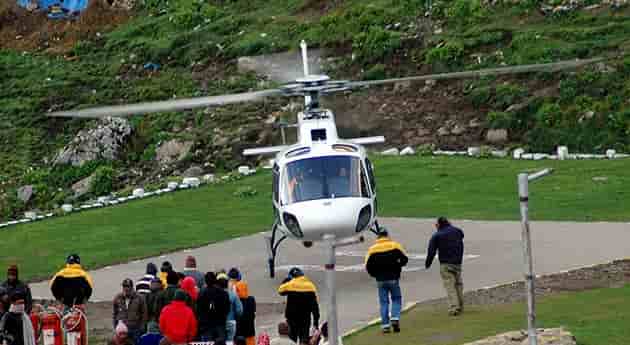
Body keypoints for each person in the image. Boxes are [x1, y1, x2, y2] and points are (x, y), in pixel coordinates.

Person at [364, 229, 408, 333]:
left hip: (380, 279)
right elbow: (405, 259)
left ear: (378, 237)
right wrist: (398, 266)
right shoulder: (395, 245)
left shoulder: (372, 249)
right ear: (387, 235)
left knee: (384, 302)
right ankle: (395, 317)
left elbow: (367, 266)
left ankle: (385, 325)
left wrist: (374, 275)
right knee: (396, 299)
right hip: (393, 277)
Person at [425, 217, 465, 316]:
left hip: (446, 264)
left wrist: (428, 263)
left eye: (436, 224)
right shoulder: (458, 231)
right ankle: (460, 305)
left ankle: (454, 307)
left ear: (439, 225)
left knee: (450, 286)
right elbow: (461, 235)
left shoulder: (437, 236)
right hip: (458, 263)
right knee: (458, 284)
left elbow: (431, 251)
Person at [277, 268, 319, 344]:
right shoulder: (310, 286)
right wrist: (316, 322)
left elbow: (280, 291)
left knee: (292, 341)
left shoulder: (290, 284)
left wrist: (286, 280)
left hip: (292, 319)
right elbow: (315, 307)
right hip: (305, 320)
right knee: (304, 340)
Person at [196, 272, 230, 343]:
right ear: (215, 280)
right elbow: (227, 308)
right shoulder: (223, 293)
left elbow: (199, 310)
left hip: (207, 325)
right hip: (220, 324)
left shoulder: (202, 293)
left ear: (205, 281)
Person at [113, 278, 147, 343]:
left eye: (127, 286)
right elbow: (115, 313)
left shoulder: (140, 298)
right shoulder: (118, 297)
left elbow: (144, 313)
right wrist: (115, 325)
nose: (125, 288)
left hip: (135, 329)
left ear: (131, 287)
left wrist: (142, 327)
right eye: (124, 286)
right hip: (122, 330)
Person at [217, 273, 242, 343]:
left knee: (219, 341)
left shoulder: (215, 294)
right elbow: (239, 310)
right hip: (231, 321)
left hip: (219, 323)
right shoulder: (233, 295)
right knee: (230, 341)